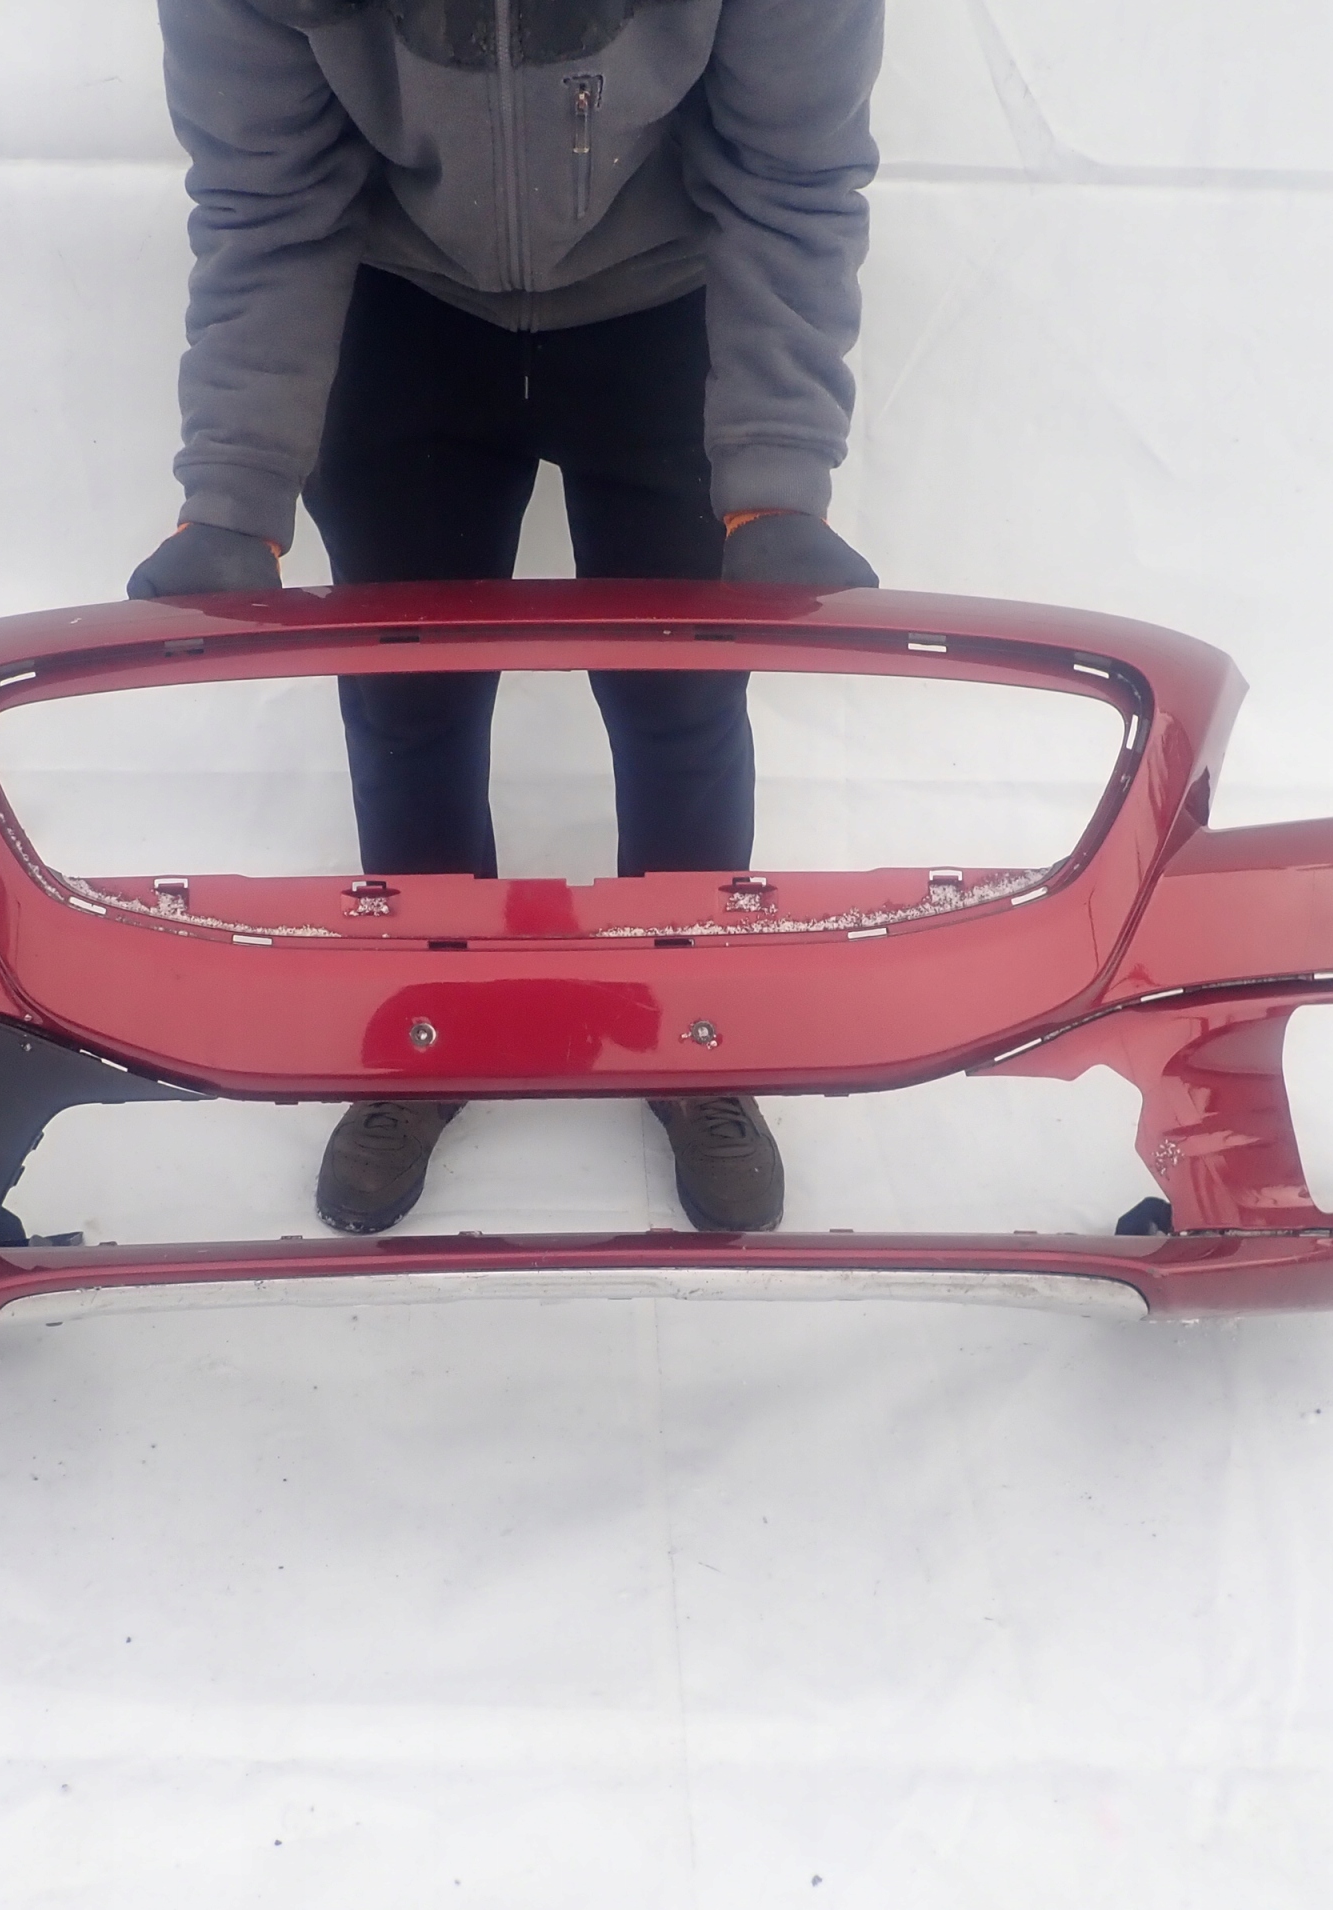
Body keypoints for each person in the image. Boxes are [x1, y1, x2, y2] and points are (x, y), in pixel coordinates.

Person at [127, 0, 884, 1237]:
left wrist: (776, 477)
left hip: (661, 306)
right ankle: (435, 1014)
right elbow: (266, 197)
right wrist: (233, 495)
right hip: (401, 310)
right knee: (406, 702)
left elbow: (790, 174)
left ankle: (693, 1019)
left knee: (682, 703)